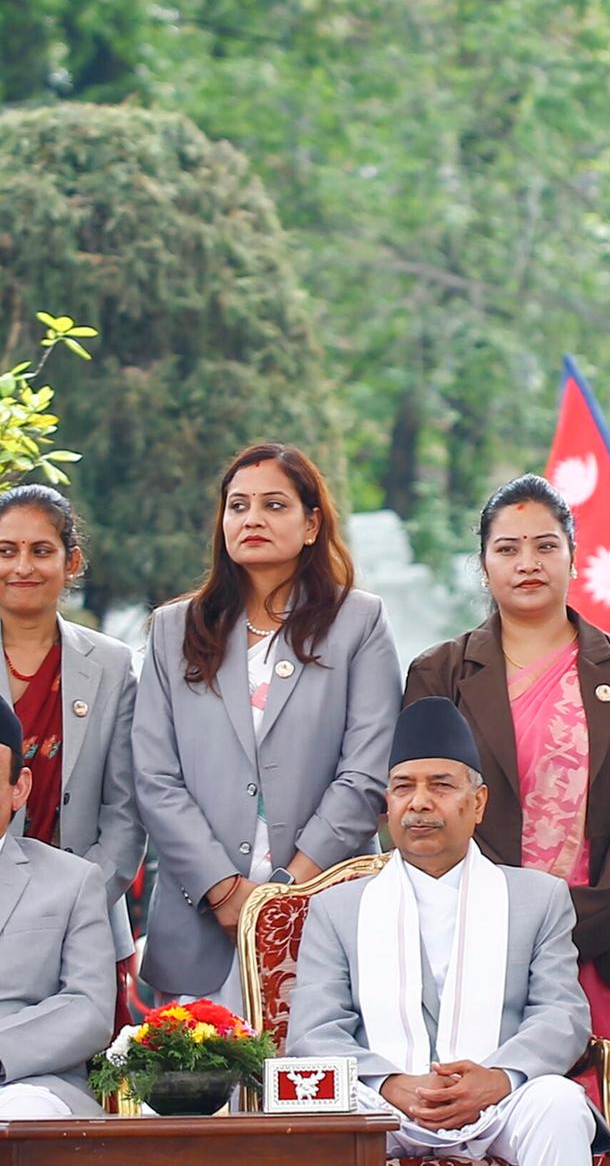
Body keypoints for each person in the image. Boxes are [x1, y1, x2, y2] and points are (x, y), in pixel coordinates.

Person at [405, 473, 610, 1141]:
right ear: (483, 563)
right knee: (470, 1121)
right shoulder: (440, 674)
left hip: (602, 940)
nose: (527, 562)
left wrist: (575, 928)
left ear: (573, 556)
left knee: (593, 1129)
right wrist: (503, 927)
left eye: (545, 545)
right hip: (469, 943)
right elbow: (423, 807)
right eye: (508, 548)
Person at [133, 440, 401, 1004]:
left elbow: (366, 772)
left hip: (323, 909)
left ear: (311, 525)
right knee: (200, 1061)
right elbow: (155, 777)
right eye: (238, 505)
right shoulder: (174, 630)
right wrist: (223, 889)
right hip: (200, 921)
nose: (252, 518)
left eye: (274, 505)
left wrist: (285, 896)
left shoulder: (358, 622)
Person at [287, 697, 604, 1166]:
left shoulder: (539, 898)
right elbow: (314, 1031)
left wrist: (498, 1079)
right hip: (380, 1104)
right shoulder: (338, 908)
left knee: (558, 1104)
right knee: (318, 1115)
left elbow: (561, 1014)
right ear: (388, 804)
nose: (419, 802)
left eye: (440, 785)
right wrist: (391, 1083)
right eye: (403, 787)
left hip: (500, 1102)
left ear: (478, 803)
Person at [0, 485, 142, 1008]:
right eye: (6, 551)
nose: (22, 567)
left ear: (72, 561)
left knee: (84, 1052)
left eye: (41, 550)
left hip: (87, 925)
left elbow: (126, 811)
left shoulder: (112, 665)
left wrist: (72, 907)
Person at [0, 694, 115, 1119]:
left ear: (19, 788)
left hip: (26, 1084)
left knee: (26, 1113)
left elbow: (88, 1008)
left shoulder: (72, 881)